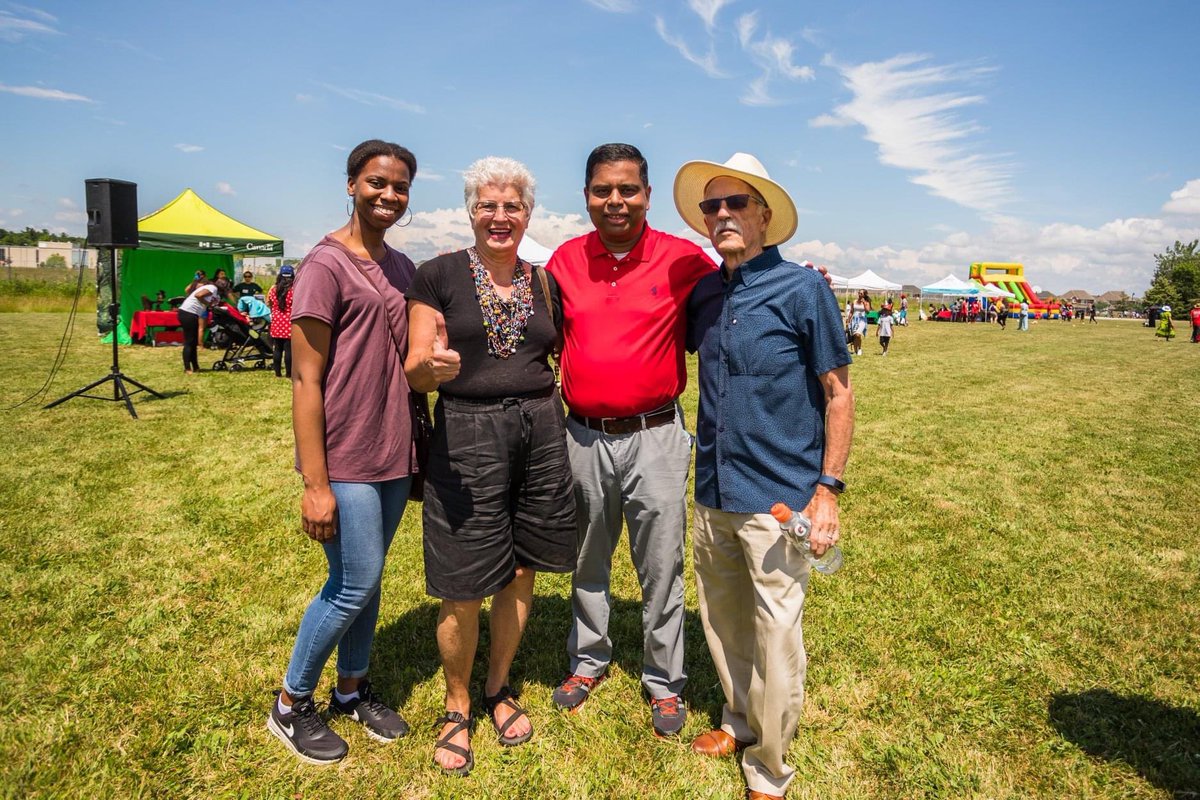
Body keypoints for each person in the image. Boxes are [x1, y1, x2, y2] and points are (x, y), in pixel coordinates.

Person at [678, 152, 854, 800]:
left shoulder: (804, 290)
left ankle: (769, 771)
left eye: (735, 204)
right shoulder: (703, 294)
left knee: (776, 635)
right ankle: (740, 722)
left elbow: (838, 393)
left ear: (764, 216)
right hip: (712, 489)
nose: (721, 214)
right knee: (724, 624)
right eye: (711, 205)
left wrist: (827, 491)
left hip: (779, 496)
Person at [405, 157, 577, 777]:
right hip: (467, 431)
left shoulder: (543, 281)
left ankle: (498, 686)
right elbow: (413, 366)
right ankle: (457, 707)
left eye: (512, 206)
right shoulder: (438, 275)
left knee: (522, 567)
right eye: (488, 205)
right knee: (463, 574)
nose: (500, 216)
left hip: (539, 428)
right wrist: (433, 371)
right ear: (470, 211)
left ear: (528, 214)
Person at [545, 143, 715, 738]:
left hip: (657, 436)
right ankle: (588, 660)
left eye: (628, 189)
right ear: (586, 195)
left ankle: (664, 682)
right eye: (602, 191)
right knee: (586, 557)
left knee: (661, 564)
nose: (615, 202)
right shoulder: (564, 261)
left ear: (647, 192)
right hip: (582, 436)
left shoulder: (683, 259)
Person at [267, 139, 421, 765]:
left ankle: (352, 689)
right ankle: (290, 702)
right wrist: (315, 481)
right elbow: (306, 380)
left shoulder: (404, 267)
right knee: (352, 581)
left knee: (371, 577)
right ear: (351, 184)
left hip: (395, 449)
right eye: (377, 182)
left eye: (400, 186)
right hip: (346, 453)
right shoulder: (324, 266)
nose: (389, 195)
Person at [177, 277, 222, 373]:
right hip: (188, 313)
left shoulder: (212, 290)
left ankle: (196, 366)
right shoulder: (212, 287)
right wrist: (208, 304)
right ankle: (187, 368)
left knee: (193, 342)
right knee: (189, 341)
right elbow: (198, 295)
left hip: (191, 313)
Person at [267, 266, 295, 377]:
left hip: (276, 322)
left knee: (277, 348)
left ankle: (277, 373)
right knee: (289, 350)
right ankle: (288, 373)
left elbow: (269, 303)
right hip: (289, 322)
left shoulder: (273, 289)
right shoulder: (294, 289)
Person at [847, 289, 870, 356]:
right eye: (859, 293)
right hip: (854, 320)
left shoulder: (866, 302)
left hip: (862, 320)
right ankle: (855, 350)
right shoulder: (854, 301)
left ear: (864, 295)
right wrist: (848, 320)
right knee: (854, 336)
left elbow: (868, 312)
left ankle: (859, 348)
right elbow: (851, 311)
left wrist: (864, 304)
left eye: (861, 294)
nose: (859, 295)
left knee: (858, 334)